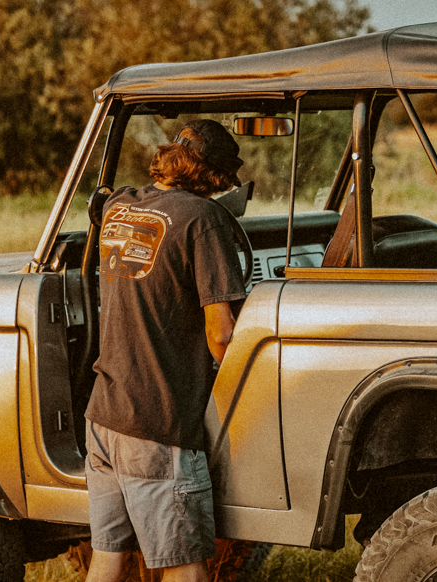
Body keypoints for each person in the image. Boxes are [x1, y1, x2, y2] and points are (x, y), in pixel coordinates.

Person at [84, 119, 248, 582]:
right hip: (157, 425)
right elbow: (221, 334)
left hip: (105, 416)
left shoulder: (121, 207)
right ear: (214, 176)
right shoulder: (205, 219)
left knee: (109, 558)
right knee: (186, 567)